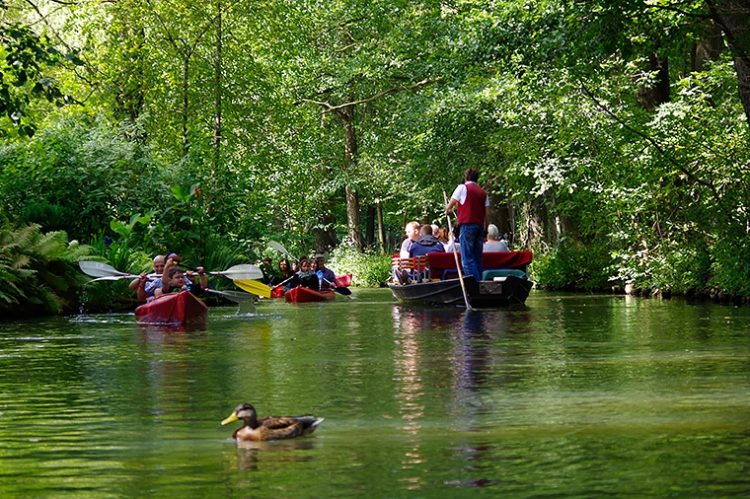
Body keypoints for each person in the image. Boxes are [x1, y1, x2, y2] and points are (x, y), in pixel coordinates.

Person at [445, 168, 489, 281]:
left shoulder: (462, 188)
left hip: (467, 226)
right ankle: (480, 282)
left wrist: (448, 210)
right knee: (477, 257)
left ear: (466, 177)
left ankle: (473, 283)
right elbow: (486, 214)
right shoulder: (483, 193)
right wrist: (485, 229)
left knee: (467, 258)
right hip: (479, 227)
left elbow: (449, 206)